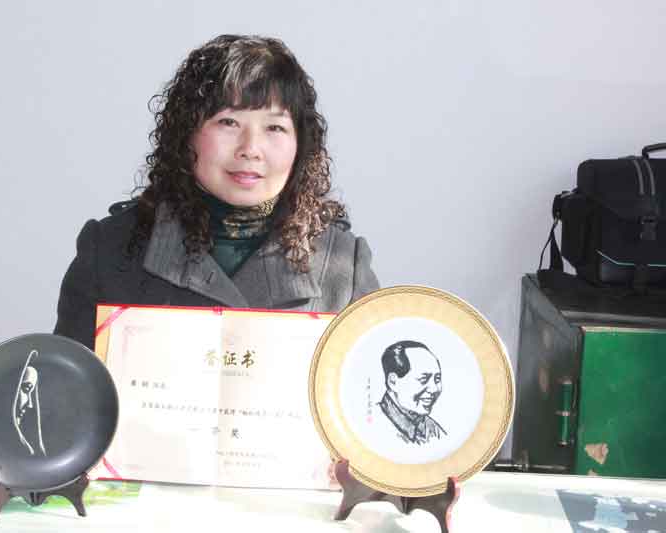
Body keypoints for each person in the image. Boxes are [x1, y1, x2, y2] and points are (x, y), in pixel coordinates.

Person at [54, 34, 379, 349]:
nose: (250, 149)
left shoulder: (344, 267)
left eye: (274, 127)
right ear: (187, 132)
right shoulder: (109, 250)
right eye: (229, 123)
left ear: (301, 145)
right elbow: (68, 385)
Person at [377, 340, 446, 445]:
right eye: (423, 379)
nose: (434, 389)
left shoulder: (434, 430)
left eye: (437, 379)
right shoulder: (375, 425)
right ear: (393, 381)